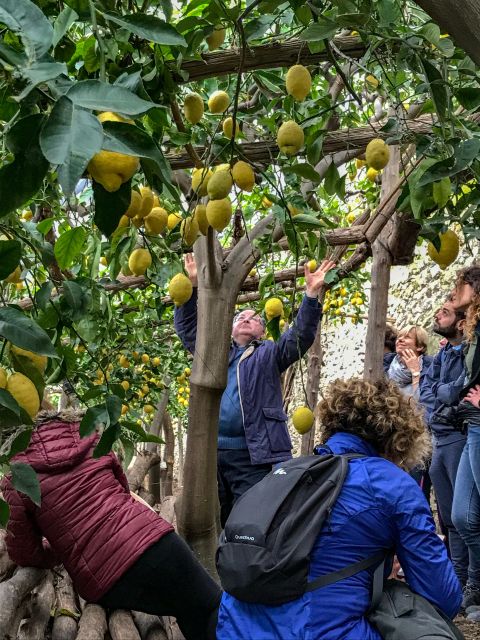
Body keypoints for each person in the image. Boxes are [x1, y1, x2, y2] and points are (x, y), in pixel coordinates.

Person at [216, 378, 462, 640]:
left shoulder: (285, 473)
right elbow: (444, 599)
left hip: (234, 630)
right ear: (398, 437)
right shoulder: (391, 483)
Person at [1, 408, 221, 640]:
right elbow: (123, 490)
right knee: (208, 605)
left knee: (190, 607)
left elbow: (24, 552)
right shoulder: (90, 437)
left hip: (105, 579)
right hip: (154, 540)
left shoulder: (16, 477)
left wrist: (60, 550)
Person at [174, 254, 335, 526]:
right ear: (230, 325)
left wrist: (310, 295)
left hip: (252, 455)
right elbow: (188, 329)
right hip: (211, 454)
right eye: (240, 316)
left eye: (254, 317)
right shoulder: (213, 351)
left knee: (249, 518)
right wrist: (192, 287)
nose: (247, 318)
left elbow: (300, 337)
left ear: (263, 330)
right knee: (217, 519)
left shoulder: (269, 352)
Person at [420, 299, 468, 587]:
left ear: (461, 322)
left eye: (445, 312)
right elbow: (428, 391)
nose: (437, 313)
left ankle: (470, 581)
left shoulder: (468, 354)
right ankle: (460, 581)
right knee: (448, 517)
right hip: (439, 439)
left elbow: (458, 392)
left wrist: (444, 393)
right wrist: (445, 392)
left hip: (458, 437)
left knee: (465, 517)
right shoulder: (443, 355)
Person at [451, 265, 480, 612]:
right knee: (462, 515)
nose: (455, 292)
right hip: (472, 422)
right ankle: (476, 582)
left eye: (460, 286)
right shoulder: (474, 329)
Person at [385, 325, 433, 398]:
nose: (400, 339)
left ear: (420, 346)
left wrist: (415, 373)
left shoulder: (431, 367)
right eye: (399, 336)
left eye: (407, 337)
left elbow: (423, 403)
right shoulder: (386, 362)